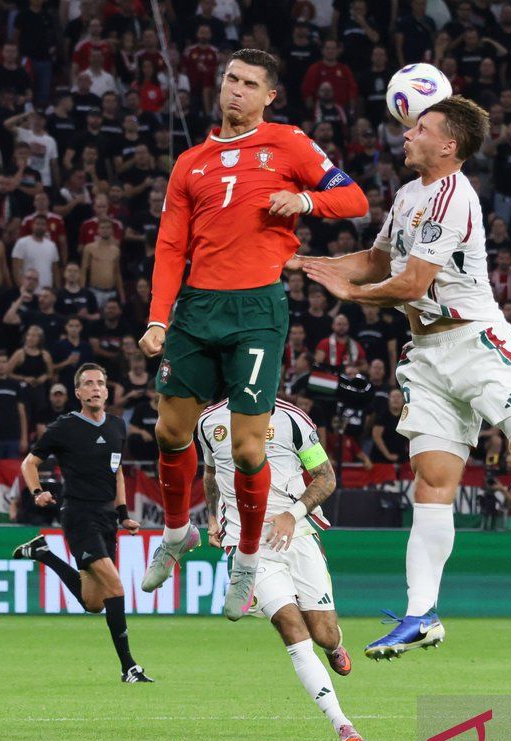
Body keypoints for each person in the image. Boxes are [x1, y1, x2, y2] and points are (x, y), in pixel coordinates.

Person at [297, 95, 511, 659]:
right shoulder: (408, 195)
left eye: (420, 129)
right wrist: (310, 264)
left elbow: (411, 284)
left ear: (449, 144)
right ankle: (421, 614)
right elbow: (378, 262)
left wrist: (351, 294)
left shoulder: (453, 196)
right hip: (427, 354)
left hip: (475, 342)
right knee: (431, 482)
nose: (407, 135)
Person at [137, 49, 368, 620]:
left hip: (257, 309)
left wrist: (305, 198)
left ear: (269, 96)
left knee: (246, 448)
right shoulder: (190, 162)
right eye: (230, 80)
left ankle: (245, 559)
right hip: (197, 307)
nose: (235, 90)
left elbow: (354, 198)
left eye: (248, 84)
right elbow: (170, 246)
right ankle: (176, 532)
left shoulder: (288, 143)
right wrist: (158, 318)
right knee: (170, 432)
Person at [198, 395, 362, 741]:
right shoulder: (209, 422)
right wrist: (212, 517)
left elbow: (325, 477)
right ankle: (341, 722)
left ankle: (334, 647)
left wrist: (292, 514)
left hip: (298, 536)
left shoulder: (293, 419)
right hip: (248, 545)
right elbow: (210, 473)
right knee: (291, 626)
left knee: (324, 634)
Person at [10, 364, 150, 683]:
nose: (95, 388)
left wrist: (123, 514)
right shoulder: (64, 427)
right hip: (79, 516)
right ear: (78, 393)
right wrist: (37, 492)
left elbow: (117, 473)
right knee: (115, 586)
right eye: (88, 383)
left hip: (106, 518)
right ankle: (129, 667)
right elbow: (29, 463)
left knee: (94, 602)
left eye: (100, 383)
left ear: (107, 391)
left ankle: (43, 553)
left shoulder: (117, 426)